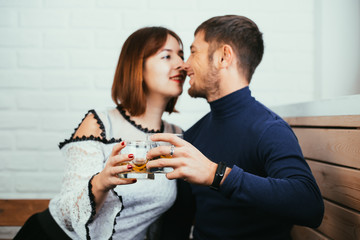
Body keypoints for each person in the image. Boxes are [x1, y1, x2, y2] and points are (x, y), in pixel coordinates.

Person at [146, 15, 325, 240]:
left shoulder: (270, 129)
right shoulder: (192, 136)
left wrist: (215, 174)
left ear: (223, 57)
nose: (185, 64)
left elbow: (310, 206)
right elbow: (177, 223)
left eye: (193, 51)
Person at [14, 26, 185, 240]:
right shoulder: (100, 124)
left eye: (181, 55)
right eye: (167, 56)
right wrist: (102, 181)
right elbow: (68, 216)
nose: (181, 64)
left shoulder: (176, 136)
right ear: (137, 66)